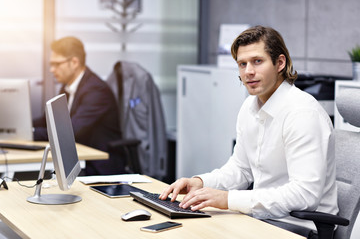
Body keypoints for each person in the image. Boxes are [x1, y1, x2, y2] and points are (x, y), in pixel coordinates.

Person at [160, 26, 338, 237]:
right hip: (263, 219)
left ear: (280, 63)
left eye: (257, 61)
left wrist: (228, 200)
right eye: (242, 64)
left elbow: (305, 194)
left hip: (300, 227)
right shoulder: (249, 107)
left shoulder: (302, 114)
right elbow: (241, 169)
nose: (248, 72)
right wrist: (200, 183)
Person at [33, 36, 122, 175]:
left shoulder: (96, 90)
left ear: (74, 62)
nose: (51, 69)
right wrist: (21, 128)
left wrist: (31, 133)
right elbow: (47, 121)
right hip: (77, 159)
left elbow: (69, 132)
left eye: (56, 64)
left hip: (98, 167)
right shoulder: (67, 87)